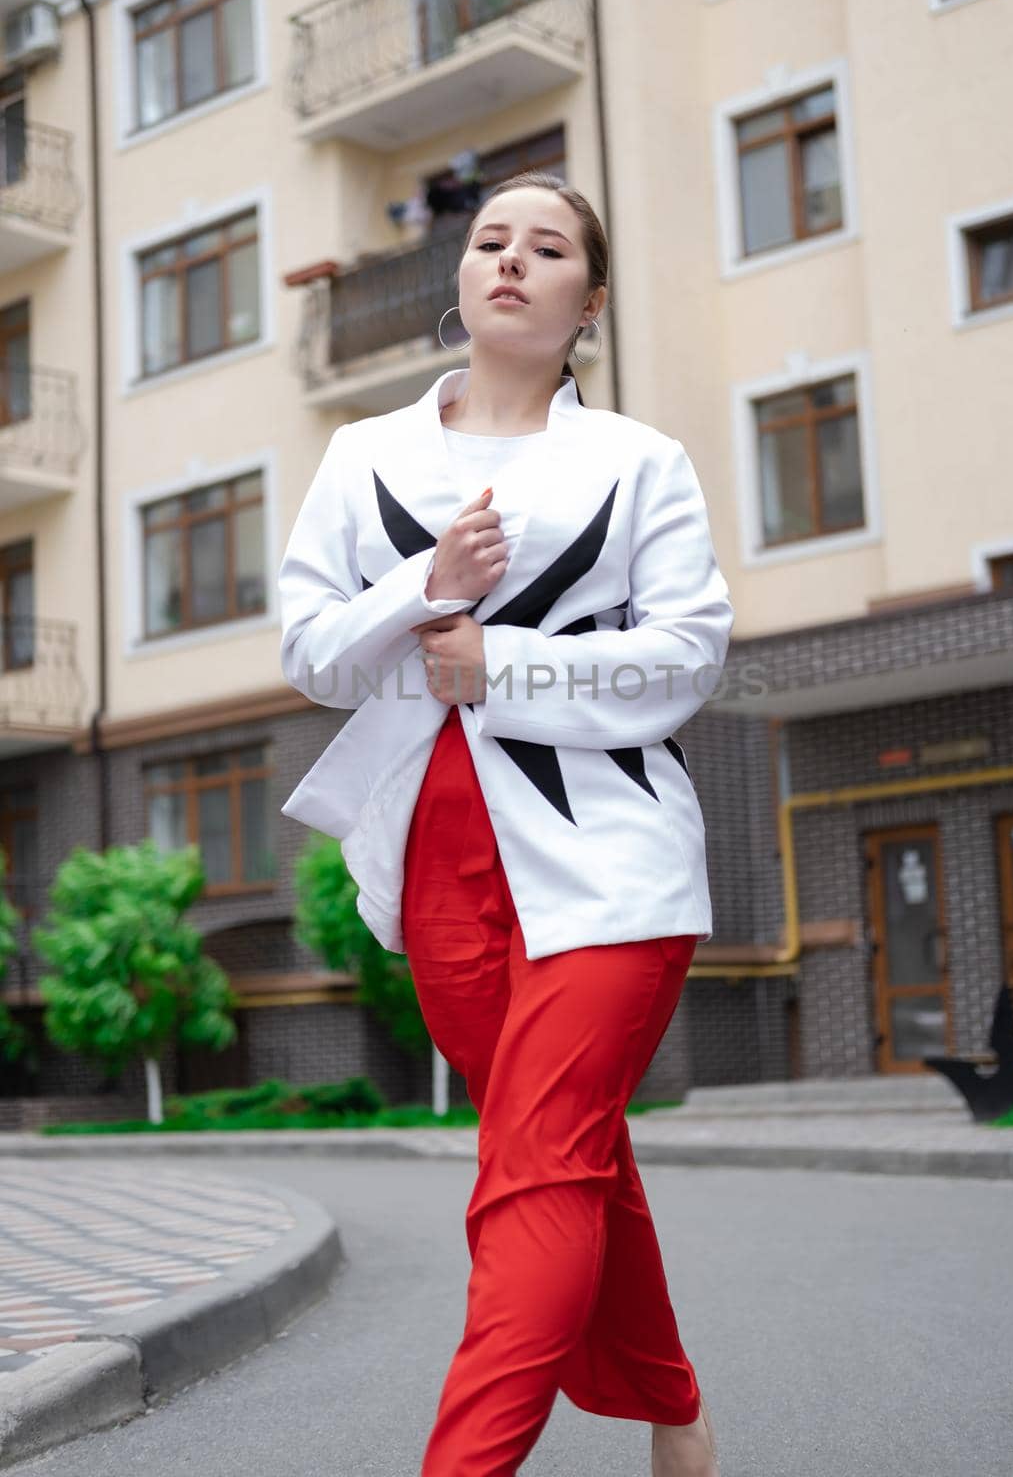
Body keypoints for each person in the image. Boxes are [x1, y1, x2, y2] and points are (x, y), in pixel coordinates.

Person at [277, 171, 732, 1476]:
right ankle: (674, 1408)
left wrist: (509, 663)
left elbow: (691, 652)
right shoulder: (363, 455)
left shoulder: (640, 461)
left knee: (532, 1174)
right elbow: (314, 652)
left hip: (615, 867)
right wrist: (423, 587)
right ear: (462, 280)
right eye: (489, 242)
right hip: (436, 869)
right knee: (566, 1150)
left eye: (548, 248)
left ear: (588, 301)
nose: (512, 262)